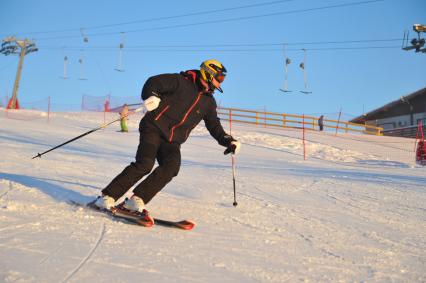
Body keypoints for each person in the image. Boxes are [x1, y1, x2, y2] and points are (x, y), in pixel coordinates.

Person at [94, 59, 241, 221]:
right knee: (145, 164)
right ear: (208, 73)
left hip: (172, 140)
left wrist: (228, 140)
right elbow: (153, 82)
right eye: (219, 78)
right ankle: (107, 197)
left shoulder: (208, 102)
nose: (220, 83)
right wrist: (153, 96)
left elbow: (214, 126)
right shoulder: (180, 81)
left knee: (172, 166)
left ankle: (136, 200)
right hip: (153, 128)